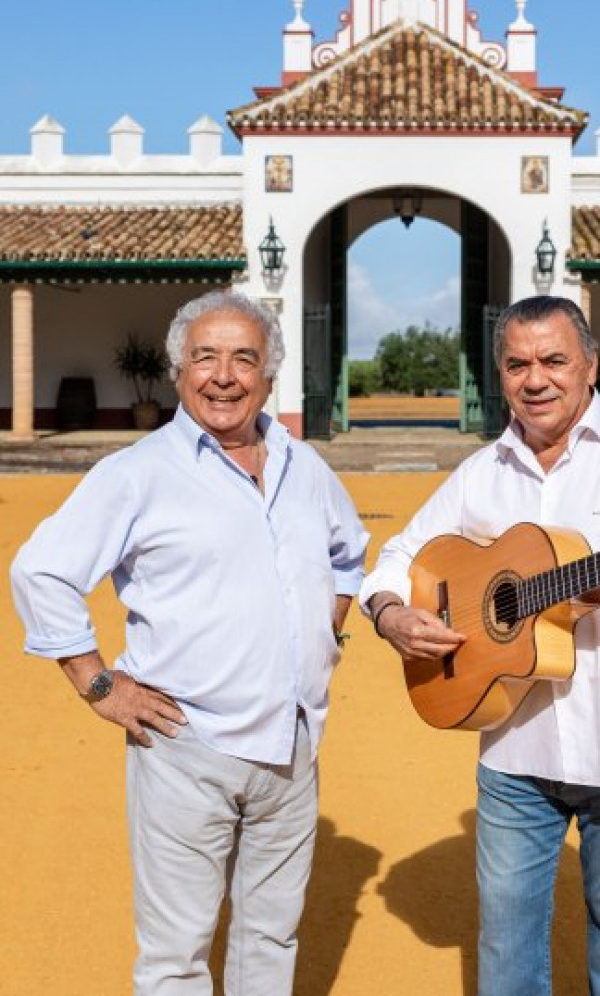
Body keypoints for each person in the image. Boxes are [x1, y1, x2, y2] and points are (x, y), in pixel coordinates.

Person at [360, 295, 600, 996]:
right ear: (501, 375)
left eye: (554, 360)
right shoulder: (484, 472)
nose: (535, 379)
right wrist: (390, 614)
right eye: (517, 364)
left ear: (590, 366)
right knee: (505, 950)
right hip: (513, 750)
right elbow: (398, 553)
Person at [11, 290, 368, 996]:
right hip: (184, 745)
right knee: (176, 955)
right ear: (179, 372)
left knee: (270, 938)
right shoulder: (135, 473)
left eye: (245, 358)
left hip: (293, 743)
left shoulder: (304, 467)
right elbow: (40, 570)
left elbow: (349, 552)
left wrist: (318, 635)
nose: (225, 375)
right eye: (206, 357)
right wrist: (100, 686)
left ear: (270, 376)